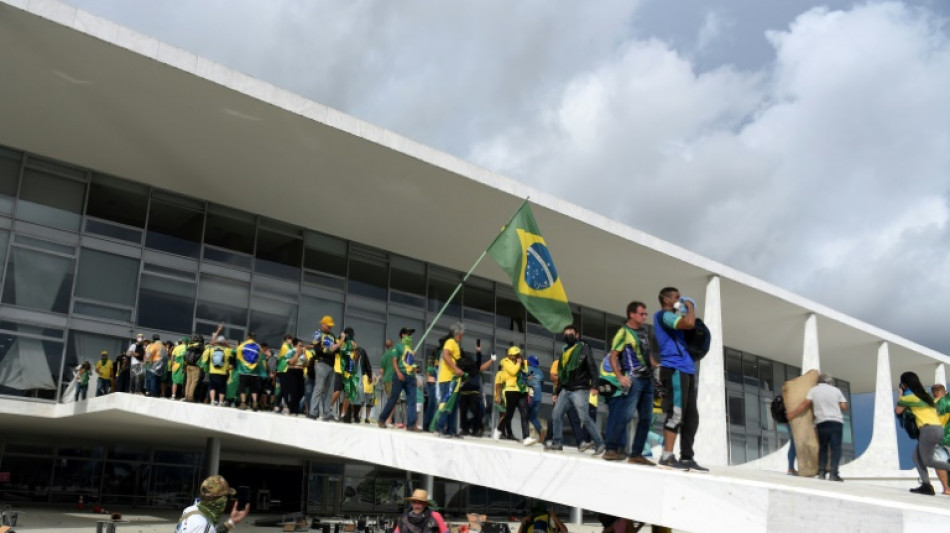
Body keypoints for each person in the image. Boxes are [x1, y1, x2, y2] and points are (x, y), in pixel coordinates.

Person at [654, 287, 706, 471]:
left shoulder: (674, 317)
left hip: (687, 370)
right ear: (667, 300)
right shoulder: (664, 316)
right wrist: (690, 305)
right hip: (674, 369)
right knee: (676, 414)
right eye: (677, 297)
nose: (681, 300)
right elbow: (689, 323)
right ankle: (666, 457)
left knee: (691, 417)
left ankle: (686, 458)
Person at [603, 302, 656, 465]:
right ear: (632, 315)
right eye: (642, 314)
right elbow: (613, 356)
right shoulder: (623, 332)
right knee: (625, 416)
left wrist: (657, 369)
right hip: (633, 379)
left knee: (646, 418)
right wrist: (620, 377)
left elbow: (648, 356)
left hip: (648, 380)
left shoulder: (644, 332)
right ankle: (610, 449)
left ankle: (636, 454)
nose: (645, 317)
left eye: (645, 314)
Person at [545, 326, 604, 454]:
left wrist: (595, 385)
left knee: (584, 417)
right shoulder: (565, 352)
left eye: (570, 334)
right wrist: (556, 392)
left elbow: (592, 367)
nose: (567, 336)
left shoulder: (583, 349)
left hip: (580, 389)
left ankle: (599, 444)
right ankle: (557, 442)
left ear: (577, 335)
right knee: (556, 415)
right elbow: (563, 374)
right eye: (565, 334)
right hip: (565, 390)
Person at [895, 371, 950, 495]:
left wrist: (900, 394)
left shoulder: (908, 398)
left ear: (904, 384)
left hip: (927, 430)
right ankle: (926, 485)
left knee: (927, 461)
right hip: (937, 429)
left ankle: (927, 485)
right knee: (916, 457)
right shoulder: (926, 395)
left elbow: (898, 411)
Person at [786, 373, 847, 481]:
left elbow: (805, 404)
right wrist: (832, 404)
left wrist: (792, 414)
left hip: (822, 422)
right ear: (829, 382)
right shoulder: (836, 390)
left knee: (823, 447)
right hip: (836, 422)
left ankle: (822, 473)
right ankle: (833, 474)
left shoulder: (813, 391)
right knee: (835, 448)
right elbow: (843, 407)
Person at [176, 474, 250, 533]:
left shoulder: (190, 510)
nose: (226, 500)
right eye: (226, 496)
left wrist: (231, 521)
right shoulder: (203, 525)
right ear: (219, 500)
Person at [379, 328, 420, 431]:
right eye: (408, 334)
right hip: (400, 375)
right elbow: (394, 361)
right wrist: (398, 373)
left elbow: (410, 364)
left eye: (411, 335)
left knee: (412, 400)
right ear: (403, 335)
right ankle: (382, 419)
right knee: (393, 399)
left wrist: (414, 376)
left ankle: (411, 425)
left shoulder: (410, 349)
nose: (410, 337)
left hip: (410, 377)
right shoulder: (397, 346)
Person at [494, 346, 536, 445]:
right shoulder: (505, 361)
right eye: (516, 355)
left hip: (522, 391)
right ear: (510, 356)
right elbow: (513, 372)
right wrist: (518, 363)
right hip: (511, 390)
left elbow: (525, 372)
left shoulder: (522, 363)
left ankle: (526, 437)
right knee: (509, 414)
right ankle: (499, 429)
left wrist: (522, 364)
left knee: (525, 414)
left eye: (519, 355)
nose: (518, 357)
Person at [433, 322, 466, 437]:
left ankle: (451, 430)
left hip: (454, 380)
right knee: (446, 403)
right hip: (447, 378)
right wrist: (455, 369)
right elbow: (445, 355)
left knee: (454, 405)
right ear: (457, 333)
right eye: (461, 333)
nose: (462, 335)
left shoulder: (456, 345)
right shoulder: (450, 342)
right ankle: (439, 428)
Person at [310, 315, 344, 421]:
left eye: (331, 326)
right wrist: (329, 350)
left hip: (331, 365)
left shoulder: (332, 336)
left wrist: (337, 347)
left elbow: (337, 350)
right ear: (323, 324)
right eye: (328, 326)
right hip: (321, 363)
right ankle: (313, 412)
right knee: (319, 388)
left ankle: (327, 412)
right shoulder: (318, 333)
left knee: (330, 391)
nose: (330, 328)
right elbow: (316, 348)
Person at [458, 340, 494, 437]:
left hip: (474, 391)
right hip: (465, 390)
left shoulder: (473, 366)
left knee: (476, 410)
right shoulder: (461, 365)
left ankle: (477, 428)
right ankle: (467, 428)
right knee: (464, 410)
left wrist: (479, 352)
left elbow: (479, 365)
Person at [234, 333, 265, 411]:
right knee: (254, 389)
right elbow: (261, 359)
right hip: (254, 372)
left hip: (244, 371)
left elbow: (235, 353)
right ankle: (255, 403)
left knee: (242, 388)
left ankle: (243, 403)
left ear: (248, 337)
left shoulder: (242, 346)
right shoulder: (258, 347)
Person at [203, 335, 232, 406]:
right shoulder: (228, 350)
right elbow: (232, 351)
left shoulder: (211, 349)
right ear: (224, 343)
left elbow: (204, 357)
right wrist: (226, 344)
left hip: (212, 372)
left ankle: (212, 401)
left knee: (212, 386)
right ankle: (221, 402)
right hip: (223, 372)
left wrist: (213, 342)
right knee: (222, 387)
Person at [525, 355, 545, 442]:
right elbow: (541, 385)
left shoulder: (527, 369)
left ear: (529, 362)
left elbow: (522, 380)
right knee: (533, 417)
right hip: (538, 398)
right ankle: (541, 431)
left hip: (530, 397)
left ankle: (525, 437)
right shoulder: (541, 372)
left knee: (524, 416)